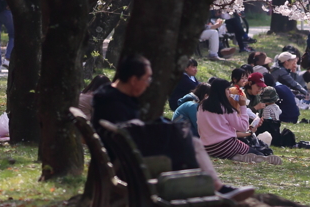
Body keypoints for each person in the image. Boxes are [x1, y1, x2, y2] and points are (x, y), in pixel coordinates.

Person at [93, 55, 255, 202]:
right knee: (190, 142)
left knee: (191, 142)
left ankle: (214, 187)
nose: (148, 84)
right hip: (128, 157)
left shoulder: (112, 96)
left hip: (129, 152)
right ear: (134, 80)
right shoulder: (112, 102)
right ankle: (216, 188)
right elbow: (130, 132)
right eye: (147, 79)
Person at [197, 79, 281, 165]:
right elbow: (243, 127)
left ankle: (236, 157)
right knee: (259, 154)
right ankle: (258, 158)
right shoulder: (227, 108)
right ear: (221, 91)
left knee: (239, 150)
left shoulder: (202, 105)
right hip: (225, 146)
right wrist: (243, 106)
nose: (229, 92)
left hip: (207, 148)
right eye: (227, 89)